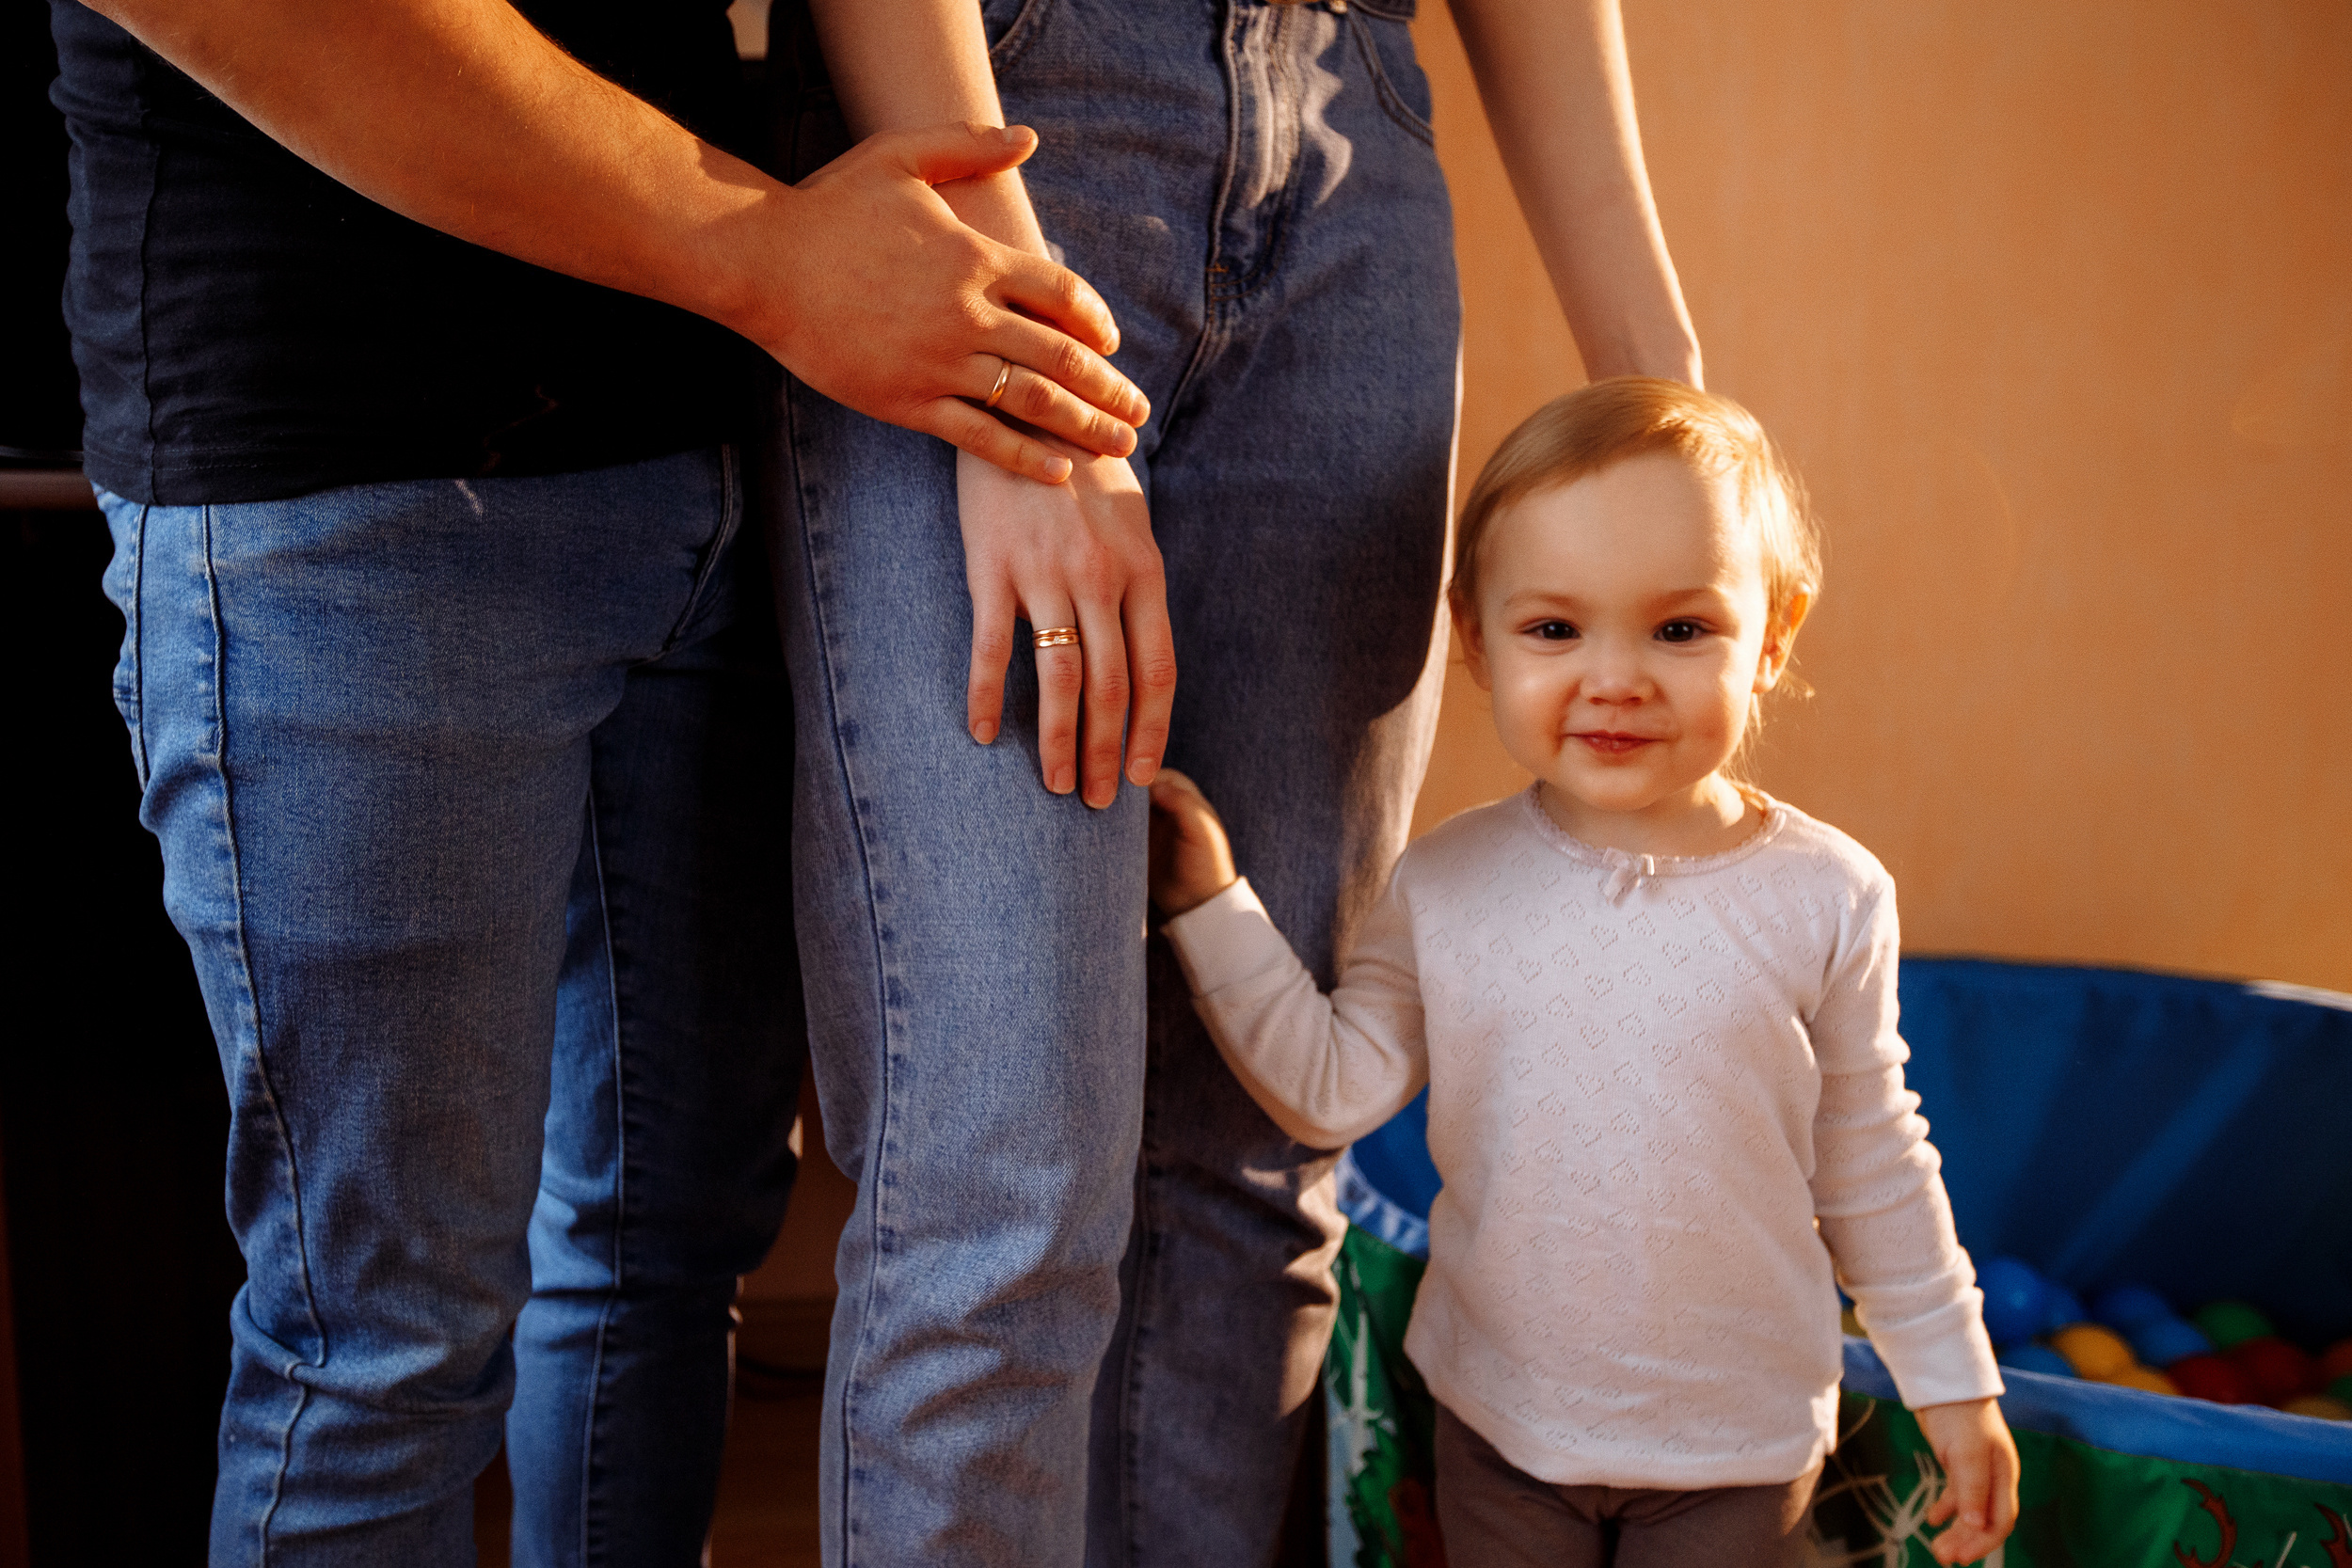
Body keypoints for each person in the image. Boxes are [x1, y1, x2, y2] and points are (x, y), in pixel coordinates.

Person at [48, 0, 1147, 1558]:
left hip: (702, 436)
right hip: (343, 473)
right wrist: (767, 255)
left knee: (660, 1238)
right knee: (385, 1346)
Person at [770, 1, 1703, 1562]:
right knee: (998, 1193)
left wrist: (1663, 383)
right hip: (998, 108)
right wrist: (1011, 332)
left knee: (1257, 1174)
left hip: (1363, 147)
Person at [1144, 379, 2022, 1566]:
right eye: (1554, 629)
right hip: (1502, 1427)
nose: (1615, 677)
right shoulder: (1447, 880)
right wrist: (1210, 904)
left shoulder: (1828, 893)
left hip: (1738, 1445)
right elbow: (1331, 1089)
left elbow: (1871, 1157)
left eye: (1679, 628)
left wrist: (1956, 1383)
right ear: (1474, 635)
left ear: (1774, 637)